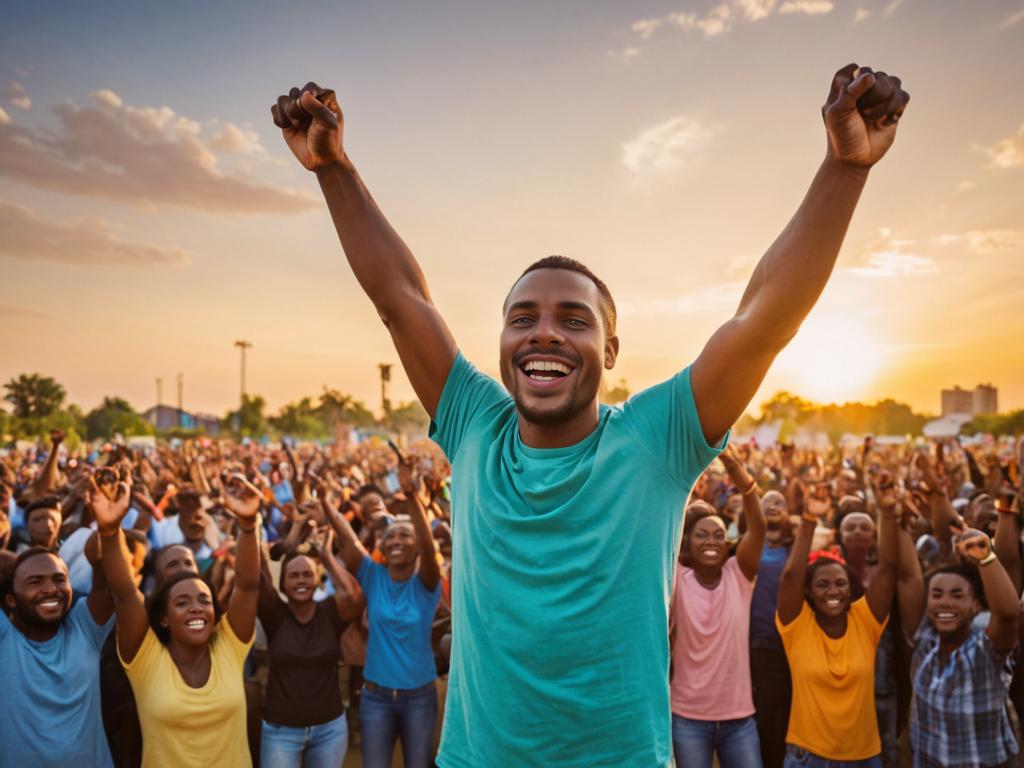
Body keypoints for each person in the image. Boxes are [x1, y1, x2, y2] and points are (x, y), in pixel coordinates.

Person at [271, 64, 909, 765]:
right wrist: (333, 168)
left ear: (609, 348)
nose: (543, 333)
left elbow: (762, 320)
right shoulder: (474, 423)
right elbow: (400, 297)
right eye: (523, 318)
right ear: (503, 343)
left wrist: (845, 169)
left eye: (572, 320)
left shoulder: (652, 441)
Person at [97, 475, 262, 768]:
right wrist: (109, 533)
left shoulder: (228, 645)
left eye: (203, 601)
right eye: (182, 603)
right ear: (162, 617)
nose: (196, 609)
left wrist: (249, 526)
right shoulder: (145, 656)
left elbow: (247, 585)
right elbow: (124, 594)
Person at [776, 474, 915, 767]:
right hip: (808, 756)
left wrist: (887, 511)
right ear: (809, 594)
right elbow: (790, 577)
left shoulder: (865, 621)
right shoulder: (797, 627)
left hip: (863, 758)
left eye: (840, 584)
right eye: (822, 585)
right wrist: (810, 518)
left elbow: (888, 569)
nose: (833, 591)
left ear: (851, 589)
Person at [325, 457, 442, 768]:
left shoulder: (427, 584)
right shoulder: (372, 576)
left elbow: (431, 550)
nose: (397, 541)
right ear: (383, 547)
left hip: (419, 697)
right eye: (390, 537)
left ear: (417, 547)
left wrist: (412, 497)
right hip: (376, 697)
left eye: (405, 536)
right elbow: (348, 539)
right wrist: (324, 501)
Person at [670, 444, 766, 767]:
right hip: (686, 717)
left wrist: (741, 477)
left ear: (728, 544)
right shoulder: (677, 579)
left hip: (739, 719)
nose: (711, 540)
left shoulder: (739, 575)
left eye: (718, 535)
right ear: (687, 543)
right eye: (701, 535)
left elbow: (759, 528)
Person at [906, 531, 1020, 768]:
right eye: (937, 595)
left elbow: (1008, 616)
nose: (945, 602)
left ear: (975, 605)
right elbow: (907, 577)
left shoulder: (986, 652)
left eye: (957, 595)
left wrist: (985, 557)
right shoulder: (924, 644)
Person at [0, 544, 115, 767]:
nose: (51, 589)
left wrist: (107, 535)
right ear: (11, 600)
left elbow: (106, 584)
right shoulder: (4, 638)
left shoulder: (85, 626)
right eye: (35, 581)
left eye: (59, 579)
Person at [258, 530, 365, 768]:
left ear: (318, 579)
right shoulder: (274, 614)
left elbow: (355, 596)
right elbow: (257, 577)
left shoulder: (330, 612)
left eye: (308, 574)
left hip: (329, 730)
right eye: (293, 576)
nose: (301, 581)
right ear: (283, 584)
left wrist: (326, 556)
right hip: (280, 732)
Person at [749, 489, 796, 768]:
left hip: (791, 643)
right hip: (757, 643)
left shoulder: (796, 547)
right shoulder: (748, 545)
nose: (774, 506)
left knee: (788, 714)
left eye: (781, 502)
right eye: (767, 503)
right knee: (765, 716)